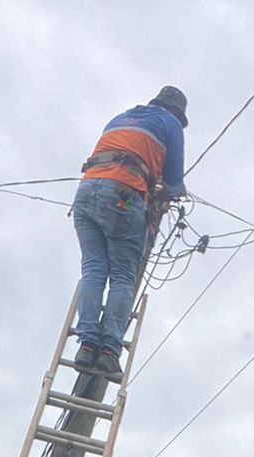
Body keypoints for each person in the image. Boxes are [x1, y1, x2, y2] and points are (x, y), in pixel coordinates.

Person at [71, 85, 187, 379]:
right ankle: (109, 350)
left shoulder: (121, 117)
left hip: (86, 191)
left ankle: (87, 344)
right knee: (123, 275)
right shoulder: (171, 124)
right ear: (177, 112)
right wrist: (165, 194)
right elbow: (174, 182)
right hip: (123, 195)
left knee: (93, 269)